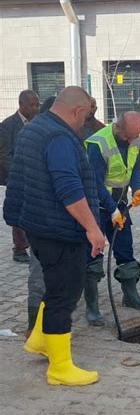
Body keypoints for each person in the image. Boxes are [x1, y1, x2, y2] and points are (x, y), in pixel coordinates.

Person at [3, 86, 106, 387]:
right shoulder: (60, 138)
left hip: (36, 224)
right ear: (77, 111)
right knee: (65, 294)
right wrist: (93, 228)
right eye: (85, 116)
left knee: (54, 284)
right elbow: (69, 189)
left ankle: (40, 340)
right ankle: (60, 368)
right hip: (58, 230)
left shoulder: (35, 128)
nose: (84, 123)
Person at [84, 111, 140, 327]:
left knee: (124, 249)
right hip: (97, 207)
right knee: (94, 253)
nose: (131, 141)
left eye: (135, 137)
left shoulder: (133, 138)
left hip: (120, 205)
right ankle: (92, 307)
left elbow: (135, 166)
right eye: (128, 137)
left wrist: (138, 188)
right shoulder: (98, 143)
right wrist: (111, 209)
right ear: (117, 127)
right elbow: (94, 182)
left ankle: (130, 296)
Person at [25, 95, 56, 337]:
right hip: (42, 218)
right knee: (41, 273)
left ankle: (40, 328)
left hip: (40, 216)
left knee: (47, 273)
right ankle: (35, 328)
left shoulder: (37, 133)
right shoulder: (46, 138)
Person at [0, 90, 40, 262]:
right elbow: (4, 155)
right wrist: (16, 174)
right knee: (19, 210)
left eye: (37, 104)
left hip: (35, 175)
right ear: (21, 104)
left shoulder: (38, 123)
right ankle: (20, 248)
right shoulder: (8, 125)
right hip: (17, 177)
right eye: (32, 105)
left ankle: (35, 243)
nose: (36, 108)